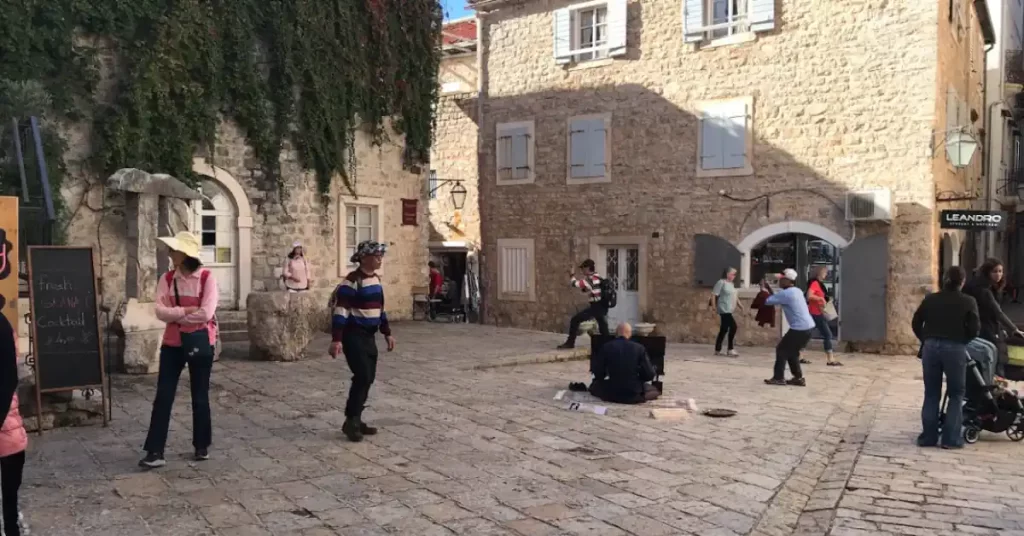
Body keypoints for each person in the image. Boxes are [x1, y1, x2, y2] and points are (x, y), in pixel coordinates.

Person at [140, 231, 218, 469]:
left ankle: (201, 445)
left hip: (200, 342)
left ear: (184, 255)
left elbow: (207, 312)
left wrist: (177, 316)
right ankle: (155, 451)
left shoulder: (206, 278)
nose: (170, 253)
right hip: (172, 343)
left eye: (174, 250)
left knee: (200, 395)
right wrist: (186, 312)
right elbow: (160, 311)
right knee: (163, 396)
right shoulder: (167, 278)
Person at [330, 240, 396, 442]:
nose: (379, 259)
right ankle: (351, 421)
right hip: (353, 335)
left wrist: (387, 333)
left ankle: (355, 418)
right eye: (376, 255)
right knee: (363, 375)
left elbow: (380, 309)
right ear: (363, 258)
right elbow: (341, 310)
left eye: (380, 255)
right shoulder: (351, 281)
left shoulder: (375, 280)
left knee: (368, 377)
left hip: (369, 336)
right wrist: (337, 339)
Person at [911, 266, 980, 449]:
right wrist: (963, 340)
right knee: (956, 393)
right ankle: (951, 439)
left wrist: (925, 339)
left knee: (931, 392)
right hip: (955, 347)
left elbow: (916, 321)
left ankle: (928, 437)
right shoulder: (968, 301)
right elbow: (974, 328)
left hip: (931, 346)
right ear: (962, 282)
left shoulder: (931, 299)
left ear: (944, 280)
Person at [963, 258, 1024, 378]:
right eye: (995, 272)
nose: (998, 275)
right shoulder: (983, 290)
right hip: (984, 328)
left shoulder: (985, 286)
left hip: (987, 326)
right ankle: (992, 385)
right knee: (994, 358)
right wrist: (1014, 330)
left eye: (1000, 271)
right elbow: (998, 312)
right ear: (987, 273)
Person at [0, 296, 26, 536]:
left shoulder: (2, 328)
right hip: (8, 429)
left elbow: (7, 381)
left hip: (6, 427)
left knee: (9, 497)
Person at [762, 269, 816, 386]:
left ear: (787, 280)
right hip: (808, 327)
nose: (779, 281)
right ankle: (798, 378)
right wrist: (770, 289)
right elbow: (778, 297)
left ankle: (778, 378)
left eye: (782, 279)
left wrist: (763, 290)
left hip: (799, 328)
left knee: (781, 350)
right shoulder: (797, 291)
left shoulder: (786, 294)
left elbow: (768, 301)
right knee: (792, 352)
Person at [589, 323, 660, 404]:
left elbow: (598, 373)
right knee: (654, 390)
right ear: (630, 334)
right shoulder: (639, 348)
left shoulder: (606, 347)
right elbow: (649, 374)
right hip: (634, 393)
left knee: (594, 386)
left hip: (612, 393)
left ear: (616, 333)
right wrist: (640, 378)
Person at [558, 259, 611, 349]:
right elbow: (589, 289)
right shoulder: (598, 277)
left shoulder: (590, 279)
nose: (582, 271)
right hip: (602, 306)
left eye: (583, 268)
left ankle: (570, 343)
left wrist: (571, 274)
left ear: (587, 268)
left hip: (596, 306)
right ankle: (609, 345)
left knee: (575, 320)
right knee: (603, 326)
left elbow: (575, 283)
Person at [806, 266, 841, 366]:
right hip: (816, 313)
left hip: (817, 312)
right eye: (825, 272)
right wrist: (820, 299)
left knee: (807, 334)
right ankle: (830, 359)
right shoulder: (815, 283)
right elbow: (809, 296)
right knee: (827, 335)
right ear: (819, 273)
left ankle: (799, 355)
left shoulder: (819, 284)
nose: (826, 274)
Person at [711, 267, 740, 357]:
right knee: (733, 327)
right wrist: (714, 307)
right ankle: (730, 349)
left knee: (723, 329)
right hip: (723, 309)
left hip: (729, 308)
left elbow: (734, 296)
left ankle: (717, 349)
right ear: (727, 273)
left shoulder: (731, 284)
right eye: (732, 274)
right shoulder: (721, 282)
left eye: (735, 274)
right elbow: (713, 295)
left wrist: (740, 305)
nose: (733, 276)